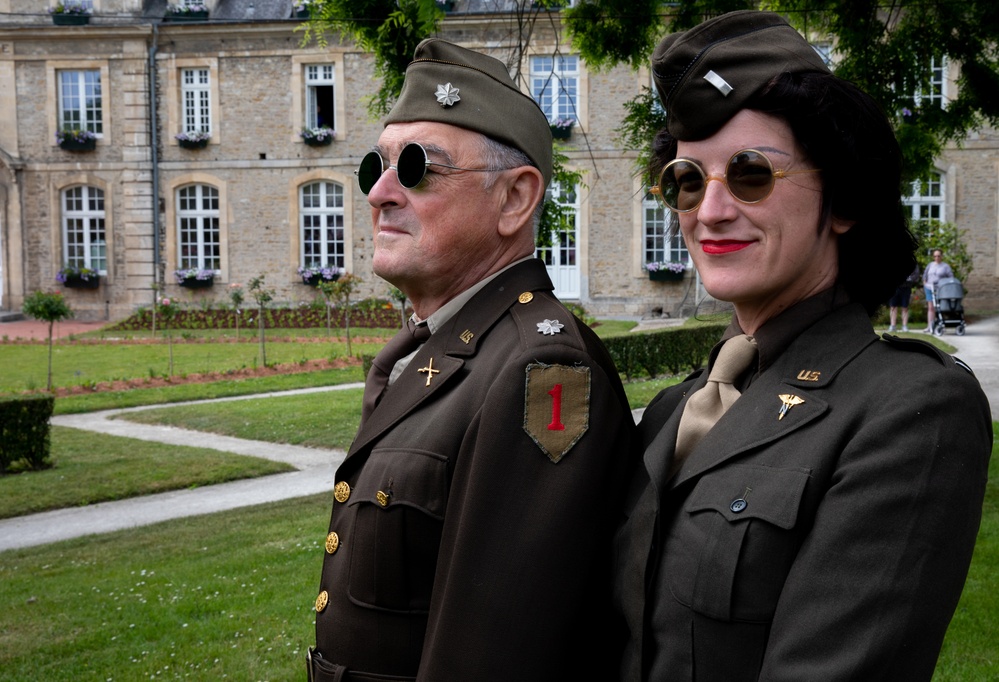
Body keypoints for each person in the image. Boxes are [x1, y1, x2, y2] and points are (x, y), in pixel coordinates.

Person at [613, 11, 992, 682]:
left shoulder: (907, 408)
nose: (708, 210)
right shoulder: (677, 409)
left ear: (842, 198)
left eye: (750, 173)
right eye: (685, 180)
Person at [308, 39, 634, 682]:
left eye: (416, 169)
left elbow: (497, 650)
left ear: (514, 199)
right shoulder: (439, 349)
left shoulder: (541, 371)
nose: (379, 193)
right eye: (375, 165)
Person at [921, 248, 955, 332]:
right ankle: (930, 326)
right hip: (929, 287)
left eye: (938, 256)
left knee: (939, 307)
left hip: (940, 289)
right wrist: (925, 283)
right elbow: (925, 275)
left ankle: (940, 325)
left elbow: (951, 277)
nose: (937, 257)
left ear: (941, 256)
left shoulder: (945, 266)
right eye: (935, 256)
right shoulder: (930, 265)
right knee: (930, 307)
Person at [888, 264, 920, 332]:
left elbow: (916, 274)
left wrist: (908, 278)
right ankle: (893, 326)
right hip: (894, 287)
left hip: (906, 287)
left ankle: (904, 326)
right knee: (893, 307)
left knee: (905, 307)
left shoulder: (911, 261)